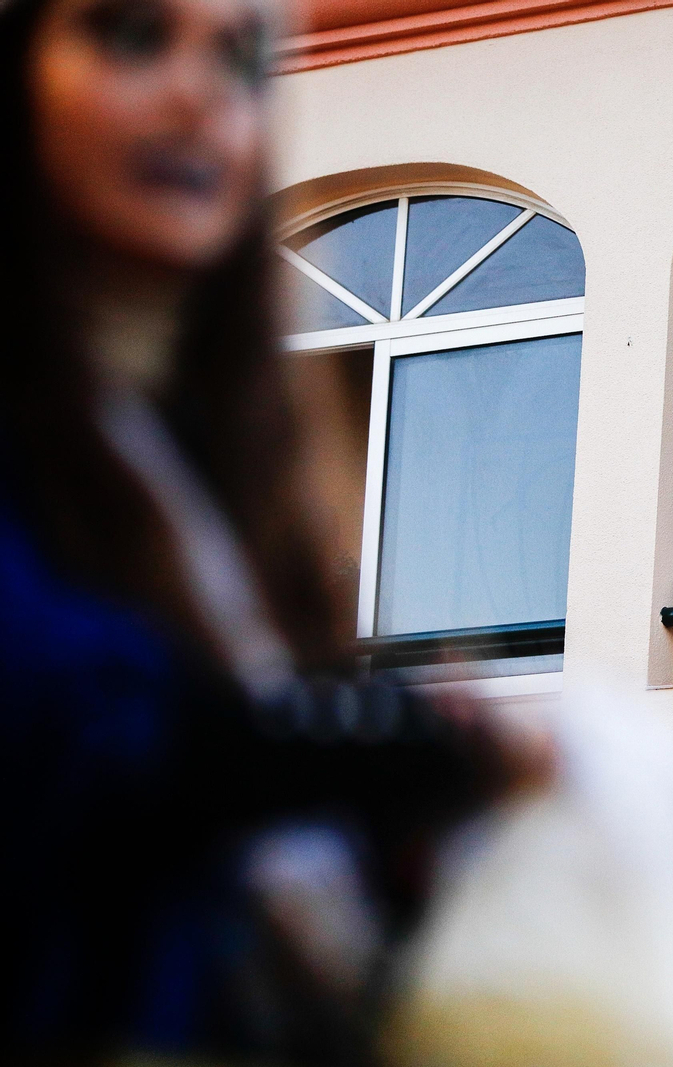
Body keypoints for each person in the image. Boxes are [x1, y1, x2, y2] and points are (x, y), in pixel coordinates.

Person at [0, 0, 538, 1059]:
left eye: (241, 58)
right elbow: (69, 727)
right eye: (130, 34)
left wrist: (409, 840)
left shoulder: (225, 458)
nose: (200, 96)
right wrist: (372, 740)